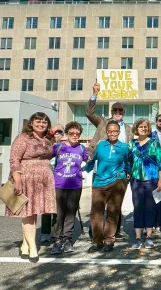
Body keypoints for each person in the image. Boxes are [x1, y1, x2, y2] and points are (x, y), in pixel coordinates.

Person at [86, 83, 132, 240]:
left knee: (115, 206)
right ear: (111, 112)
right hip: (100, 169)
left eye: (120, 110)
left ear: (124, 113)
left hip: (119, 173)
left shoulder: (129, 129)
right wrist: (94, 94)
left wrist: (129, 171)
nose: (118, 112)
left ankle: (112, 233)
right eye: (115, 110)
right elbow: (89, 112)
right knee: (98, 205)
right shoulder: (102, 122)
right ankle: (96, 235)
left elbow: (131, 153)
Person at [8, 112, 56, 262]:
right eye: (38, 121)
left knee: (34, 212)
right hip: (27, 177)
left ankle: (25, 244)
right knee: (28, 212)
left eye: (44, 122)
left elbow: (50, 157)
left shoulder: (48, 139)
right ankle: (33, 247)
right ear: (31, 123)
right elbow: (14, 159)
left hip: (44, 178)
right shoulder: (23, 138)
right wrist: (17, 180)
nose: (41, 124)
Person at [84, 121, 130, 253]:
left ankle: (109, 240)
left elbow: (128, 162)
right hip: (99, 182)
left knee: (112, 211)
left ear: (119, 132)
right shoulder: (100, 146)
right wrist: (82, 169)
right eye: (110, 131)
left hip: (117, 182)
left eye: (115, 131)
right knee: (96, 212)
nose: (112, 133)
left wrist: (128, 175)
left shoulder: (124, 147)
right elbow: (93, 161)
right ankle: (97, 241)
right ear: (106, 132)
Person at [50, 121, 89, 255]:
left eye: (77, 133)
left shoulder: (82, 148)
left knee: (70, 213)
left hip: (75, 185)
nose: (75, 135)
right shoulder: (58, 147)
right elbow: (46, 161)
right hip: (59, 184)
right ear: (67, 133)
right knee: (58, 213)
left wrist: (83, 169)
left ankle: (67, 239)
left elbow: (89, 162)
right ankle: (56, 240)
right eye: (72, 133)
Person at [128, 119, 161, 249]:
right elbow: (128, 162)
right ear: (136, 128)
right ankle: (138, 238)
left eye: (146, 127)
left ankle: (149, 236)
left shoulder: (154, 143)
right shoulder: (131, 144)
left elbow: (160, 163)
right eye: (141, 127)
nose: (143, 129)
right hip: (136, 180)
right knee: (137, 208)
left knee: (150, 208)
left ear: (149, 129)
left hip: (152, 179)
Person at [41, 123, 65, 244]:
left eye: (60, 132)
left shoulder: (64, 146)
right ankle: (45, 233)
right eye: (55, 132)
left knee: (57, 208)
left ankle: (56, 232)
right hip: (46, 179)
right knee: (46, 208)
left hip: (59, 180)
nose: (57, 134)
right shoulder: (46, 145)